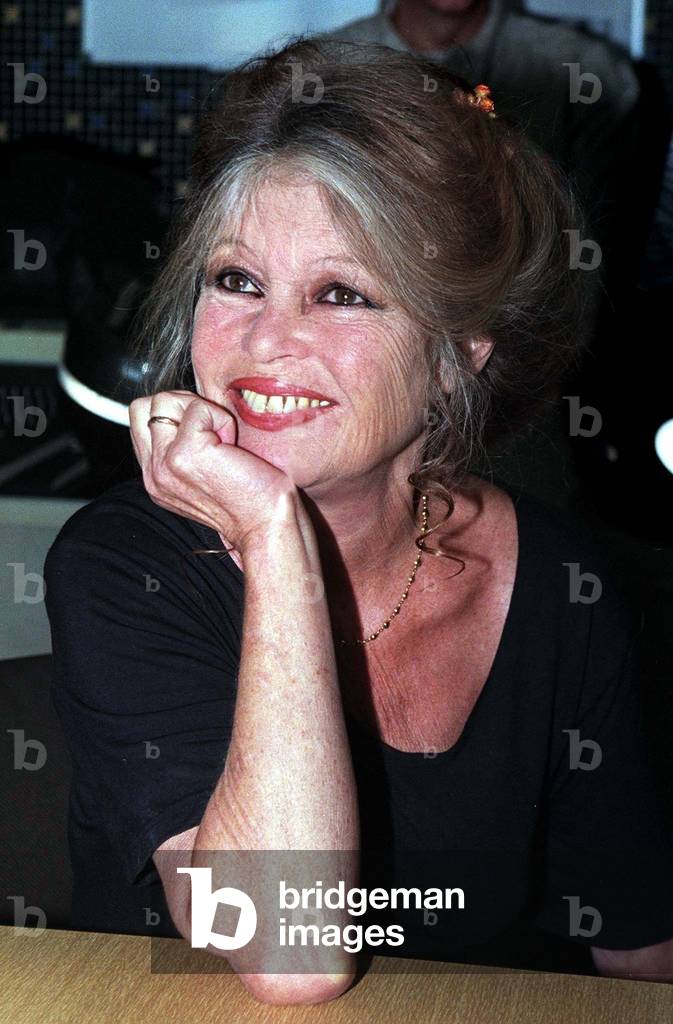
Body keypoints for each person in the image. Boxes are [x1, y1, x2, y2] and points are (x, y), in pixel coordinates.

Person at [43, 39, 673, 1005]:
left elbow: (640, 948)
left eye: (340, 294)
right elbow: (286, 952)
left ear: (458, 356)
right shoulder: (126, 565)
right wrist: (275, 541)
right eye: (236, 280)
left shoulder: (555, 583)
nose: (265, 341)